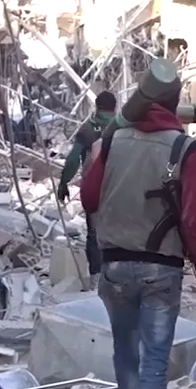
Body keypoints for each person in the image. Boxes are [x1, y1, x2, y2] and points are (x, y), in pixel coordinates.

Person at [80, 82, 196, 389]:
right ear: (175, 105)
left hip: (116, 264)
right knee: (155, 356)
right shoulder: (184, 149)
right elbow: (193, 217)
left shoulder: (113, 139)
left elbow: (88, 198)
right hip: (162, 267)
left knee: (125, 346)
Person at [56, 91, 118, 278]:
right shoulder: (124, 127)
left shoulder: (87, 129)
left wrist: (63, 183)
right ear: (115, 108)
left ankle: (97, 277)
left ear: (96, 107)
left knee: (95, 233)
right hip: (121, 187)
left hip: (95, 189)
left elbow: (74, 158)